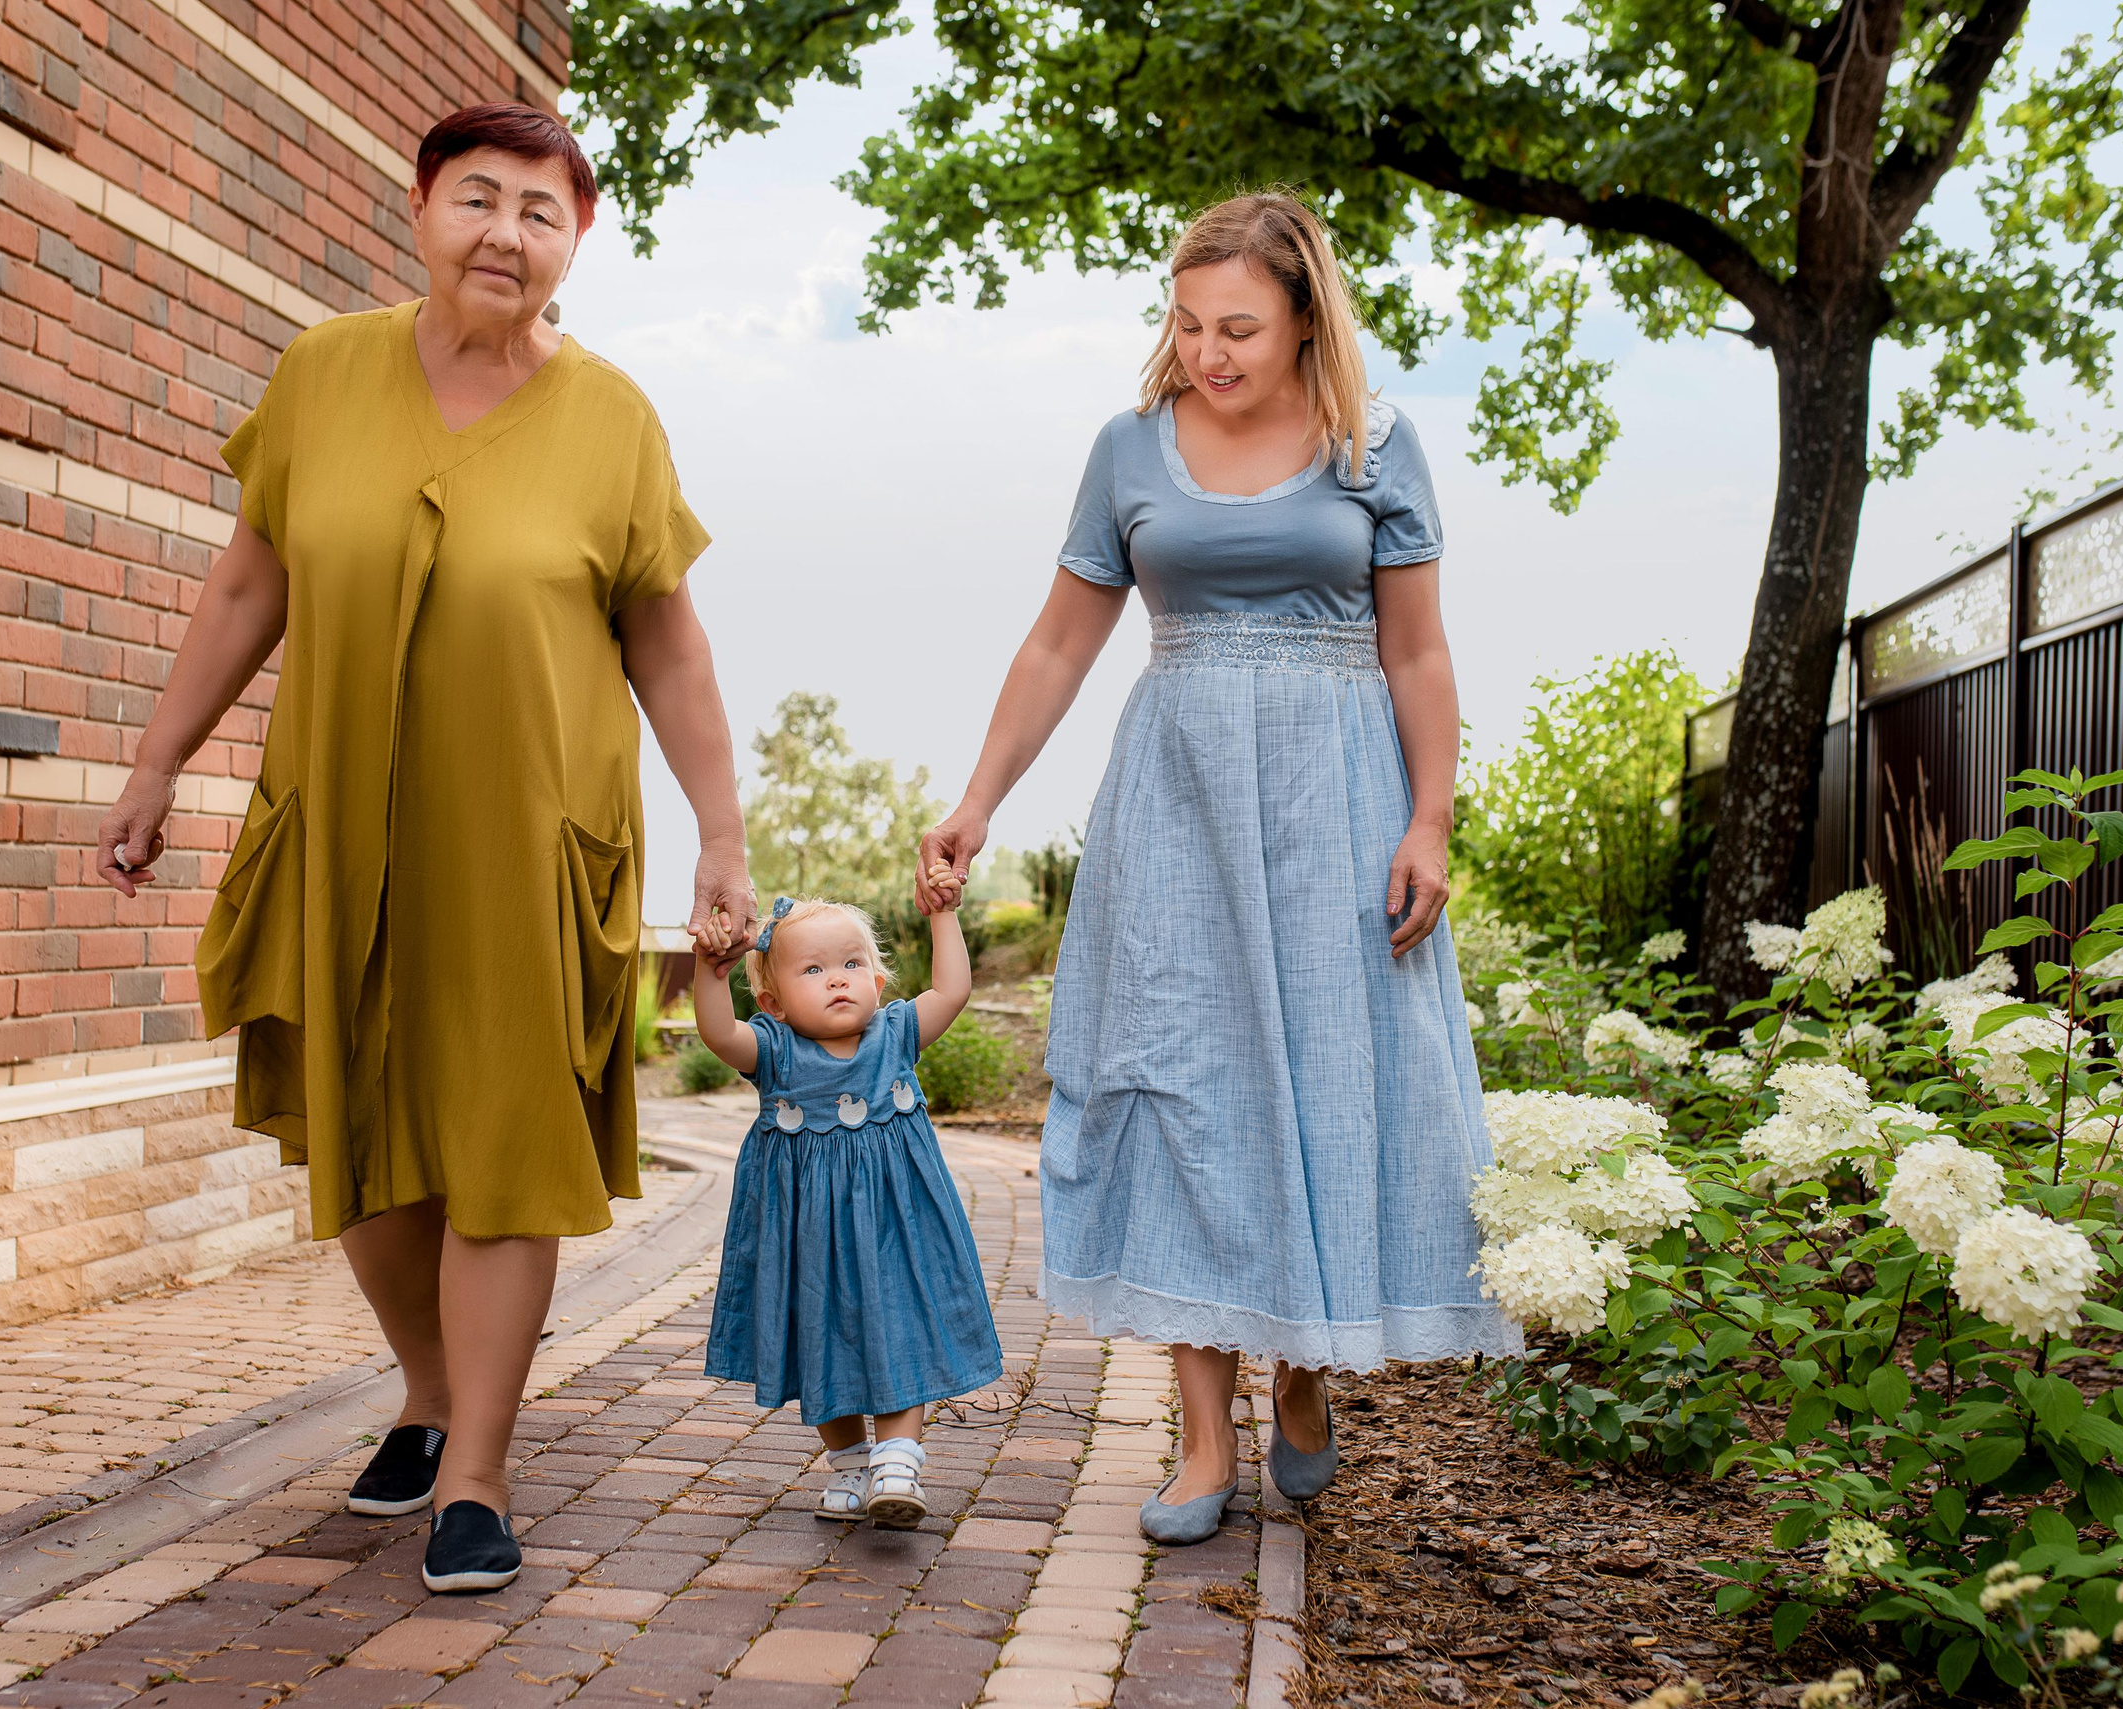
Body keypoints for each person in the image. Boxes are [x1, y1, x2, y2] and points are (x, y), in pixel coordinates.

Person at [93, 104, 757, 1593]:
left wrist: (722, 835)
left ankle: (476, 1472)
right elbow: (247, 583)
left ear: (575, 241)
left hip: (530, 834)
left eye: (541, 211)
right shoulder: (323, 374)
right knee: (369, 1143)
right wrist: (155, 763)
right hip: (344, 821)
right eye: (479, 198)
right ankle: (430, 1385)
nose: (505, 233)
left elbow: (671, 642)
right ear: (419, 209)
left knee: (504, 1148)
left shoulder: (613, 420)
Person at [918, 192, 1522, 1545]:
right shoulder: (1128, 451)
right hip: (1177, 800)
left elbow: (1418, 651)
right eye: (1187, 324)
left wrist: (1430, 822)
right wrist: (976, 799)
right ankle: (1204, 1441)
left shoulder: (1376, 442)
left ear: (1307, 313)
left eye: (1239, 326)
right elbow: (1060, 645)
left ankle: (1303, 1370)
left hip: (1337, 795)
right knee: (1181, 1082)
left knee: (1320, 1083)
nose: (1210, 351)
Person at [688, 883, 1004, 1526]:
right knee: (818, 1335)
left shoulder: (896, 1036)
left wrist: (943, 916)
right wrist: (708, 970)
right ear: (772, 1003)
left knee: (899, 1321)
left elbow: (951, 992)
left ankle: (898, 1458)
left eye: (852, 964)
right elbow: (718, 1033)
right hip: (807, 1235)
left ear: (879, 980)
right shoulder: (773, 1051)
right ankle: (852, 1463)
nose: (838, 980)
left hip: (896, 1228)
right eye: (813, 969)